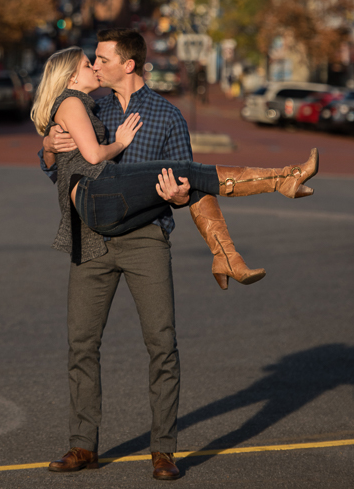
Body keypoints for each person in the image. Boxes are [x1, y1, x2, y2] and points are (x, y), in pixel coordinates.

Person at [34, 32, 317, 481]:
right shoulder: (92, 105)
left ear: (127, 65)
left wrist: (180, 196)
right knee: (81, 345)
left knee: (162, 344)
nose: (95, 65)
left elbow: (190, 191)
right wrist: (49, 146)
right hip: (91, 239)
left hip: (145, 238)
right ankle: (82, 445)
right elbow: (57, 164)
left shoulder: (167, 115)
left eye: (102, 59)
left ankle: (163, 450)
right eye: (93, 61)